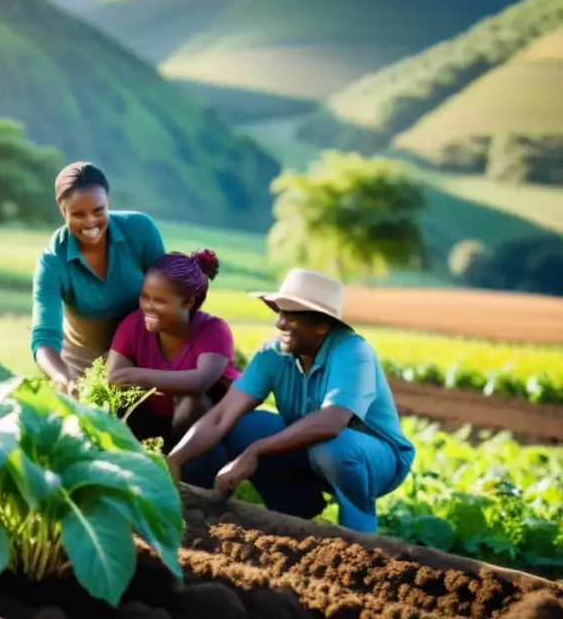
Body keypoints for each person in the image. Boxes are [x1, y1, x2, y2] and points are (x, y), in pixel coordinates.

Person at [166, 268, 416, 534]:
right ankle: (295, 519)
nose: (280, 323)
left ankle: (360, 540)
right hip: (314, 449)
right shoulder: (272, 354)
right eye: (280, 313)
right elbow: (221, 416)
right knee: (241, 425)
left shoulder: (353, 352)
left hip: (378, 459)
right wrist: (172, 462)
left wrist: (256, 451)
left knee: (331, 449)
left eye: (291, 316)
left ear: (322, 325)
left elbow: (331, 423)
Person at [31, 161, 166, 393]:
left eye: (98, 210)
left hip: (144, 362)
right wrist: (62, 376)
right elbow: (44, 337)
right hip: (85, 373)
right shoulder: (53, 261)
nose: (91, 222)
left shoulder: (140, 230)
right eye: (78, 214)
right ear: (63, 210)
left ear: (108, 203)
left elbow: (169, 296)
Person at [106, 249, 241, 451]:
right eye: (145, 297)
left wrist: (137, 375)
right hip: (151, 423)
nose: (148, 307)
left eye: (160, 301)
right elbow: (115, 377)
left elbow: (200, 381)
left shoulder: (213, 330)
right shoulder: (134, 324)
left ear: (188, 303)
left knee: (190, 400)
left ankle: (179, 466)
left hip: (205, 432)